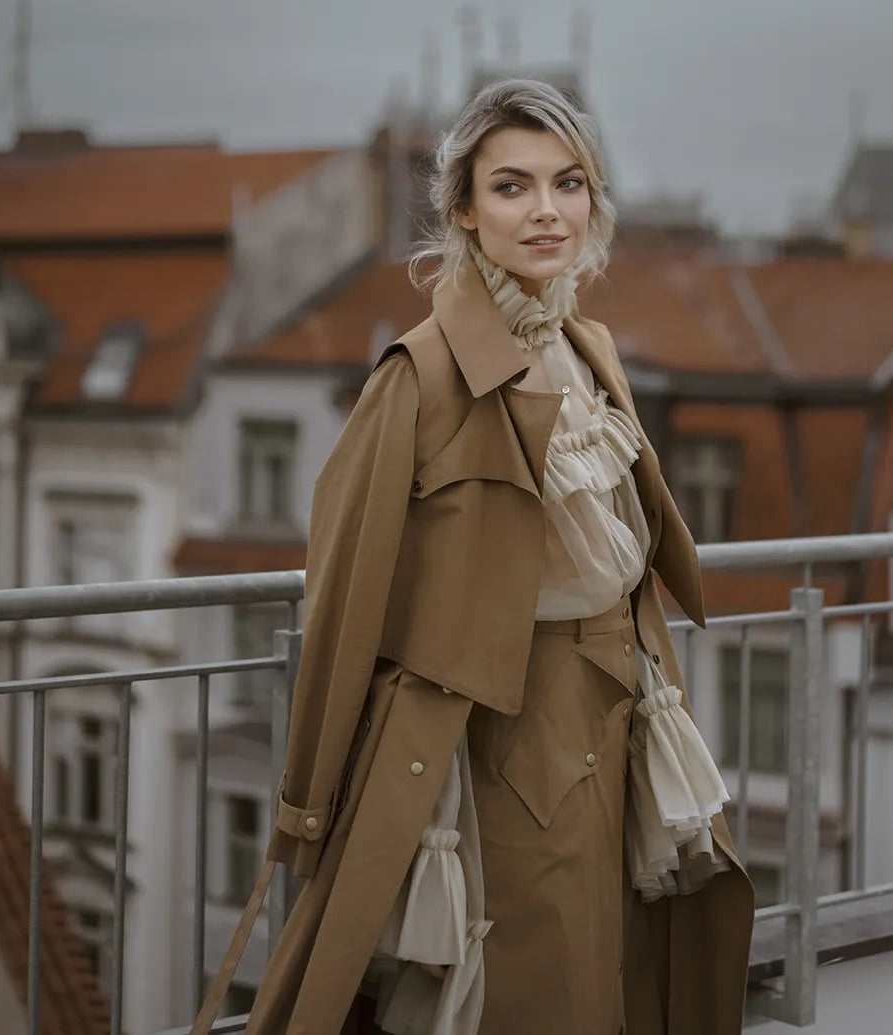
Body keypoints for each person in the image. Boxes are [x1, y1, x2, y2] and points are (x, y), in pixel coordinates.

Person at [192, 79, 754, 1035]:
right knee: (537, 983)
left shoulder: (590, 348)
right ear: (462, 208)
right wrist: (305, 811)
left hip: (630, 716)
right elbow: (343, 597)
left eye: (568, 183)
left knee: (628, 973)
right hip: (509, 737)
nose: (546, 210)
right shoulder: (421, 375)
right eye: (512, 186)